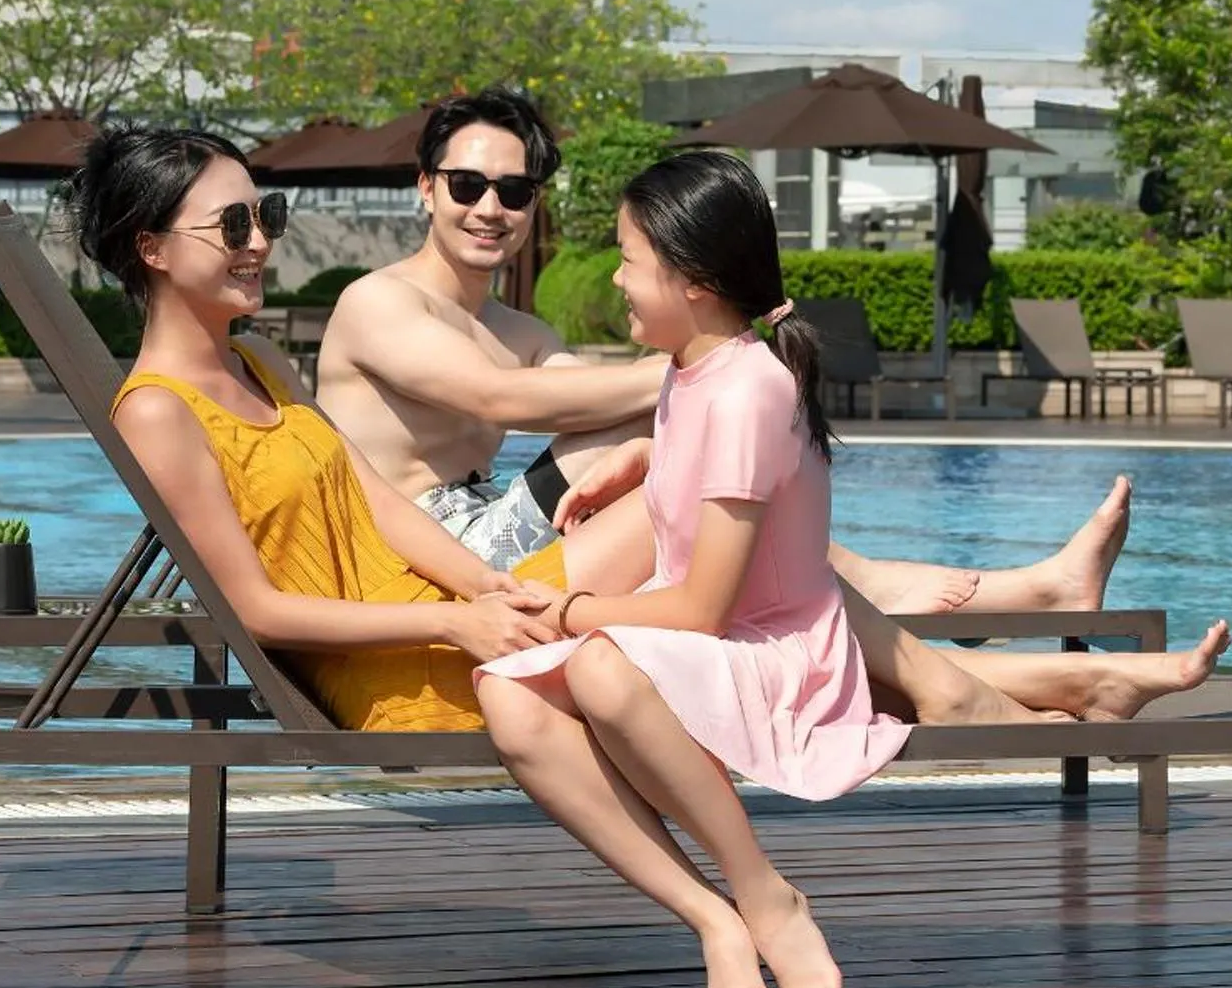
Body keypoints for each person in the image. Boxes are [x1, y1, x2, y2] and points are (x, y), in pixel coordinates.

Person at [80, 127, 1229, 988]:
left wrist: (485, 594)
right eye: (233, 222)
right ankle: (735, 902)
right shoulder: (160, 413)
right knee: (656, 566)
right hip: (377, 663)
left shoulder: (261, 362)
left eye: (263, 214)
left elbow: (380, 510)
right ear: (148, 246)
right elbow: (260, 610)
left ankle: (998, 675)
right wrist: (454, 633)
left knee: (680, 498)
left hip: (440, 616)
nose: (261, 240)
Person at [312, 87, 1131, 614]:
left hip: (492, 525)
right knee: (671, 436)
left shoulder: (526, 330)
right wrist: (719, 355)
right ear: (425, 186)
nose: (491, 207)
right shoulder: (377, 302)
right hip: (413, 561)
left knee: (679, 442)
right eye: (467, 186)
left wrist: (718, 379)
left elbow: (621, 398)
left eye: (516, 190)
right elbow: (501, 401)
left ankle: (969, 586)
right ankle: (894, 583)